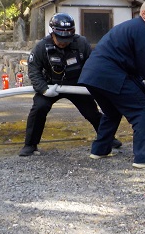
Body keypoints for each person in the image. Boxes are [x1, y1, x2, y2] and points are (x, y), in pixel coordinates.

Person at [78, 0, 145, 168]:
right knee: (142, 109)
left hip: (92, 76)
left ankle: (100, 150)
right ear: (144, 14)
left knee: (112, 112)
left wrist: (143, 86)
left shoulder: (131, 28)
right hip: (109, 75)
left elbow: (135, 66)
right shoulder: (142, 30)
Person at [19, 13, 122, 157]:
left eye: (67, 39)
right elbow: (33, 69)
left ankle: (107, 138)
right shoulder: (42, 47)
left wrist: (93, 85)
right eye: (60, 39)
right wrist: (43, 89)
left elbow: (93, 65)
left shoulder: (81, 43)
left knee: (91, 112)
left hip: (77, 84)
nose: (63, 43)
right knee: (39, 108)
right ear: (52, 33)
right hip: (51, 85)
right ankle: (30, 145)